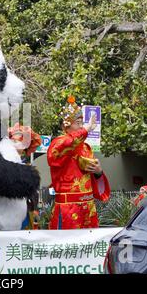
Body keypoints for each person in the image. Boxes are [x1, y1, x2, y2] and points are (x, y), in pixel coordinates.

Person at [47, 96, 111, 229]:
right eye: (78, 123)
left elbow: (93, 179)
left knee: (89, 246)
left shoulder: (86, 148)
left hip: (88, 208)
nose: (81, 126)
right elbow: (67, 144)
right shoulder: (58, 144)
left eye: (82, 123)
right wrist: (86, 129)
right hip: (68, 209)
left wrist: (98, 172)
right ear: (67, 124)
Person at [8, 123, 42, 229]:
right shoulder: (2, 162)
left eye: (19, 141)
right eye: (13, 141)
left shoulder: (28, 168)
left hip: (23, 211)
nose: (15, 144)